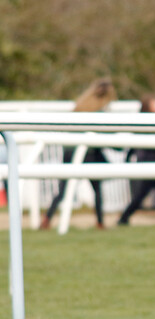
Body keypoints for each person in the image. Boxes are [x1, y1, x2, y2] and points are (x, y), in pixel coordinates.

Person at [40, 78, 117, 230]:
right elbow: (107, 134)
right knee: (97, 189)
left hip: (69, 150)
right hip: (86, 152)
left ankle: (46, 220)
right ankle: (100, 222)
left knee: (63, 190)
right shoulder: (99, 111)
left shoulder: (80, 105)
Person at [117, 95, 155, 225]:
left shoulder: (150, 120)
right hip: (151, 161)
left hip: (154, 161)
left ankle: (124, 218)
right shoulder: (147, 121)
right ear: (149, 106)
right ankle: (124, 218)